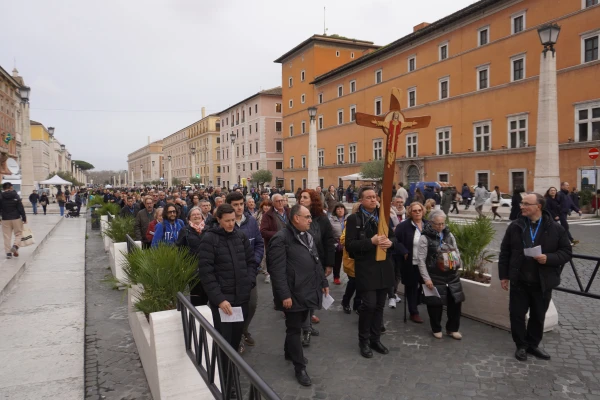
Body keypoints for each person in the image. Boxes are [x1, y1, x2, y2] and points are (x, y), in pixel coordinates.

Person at [499, 193, 572, 361]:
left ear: (538, 206)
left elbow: (567, 252)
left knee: (538, 316)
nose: (521, 206)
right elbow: (505, 252)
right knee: (516, 315)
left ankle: (533, 344)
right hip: (519, 280)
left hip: (542, 281)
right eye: (522, 203)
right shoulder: (515, 226)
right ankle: (521, 346)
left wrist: (549, 258)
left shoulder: (556, 228)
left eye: (526, 203)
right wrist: (504, 275)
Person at [197, 204, 256, 397]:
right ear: (219, 219)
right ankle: (225, 379)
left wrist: (248, 283)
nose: (231, 223)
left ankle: (232, 370)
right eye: (228, 220)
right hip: (223, 302)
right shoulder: (209, 239)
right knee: (224, 341)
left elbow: (250, 262)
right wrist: (219, 299)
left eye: (233, 220)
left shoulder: (239, 236)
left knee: (235, 338)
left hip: (241, 297)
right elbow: (206, 273)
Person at [267, 204, 329, 387]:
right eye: (307, 217)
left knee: (298, 324)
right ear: (296, 218)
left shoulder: (307, 236)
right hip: (292, 293)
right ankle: (299, 366)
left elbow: (316, 261)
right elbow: (276, 271)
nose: (311, 220)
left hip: (308, 289)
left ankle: (290, 352)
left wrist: (324, 282)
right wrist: (284, 294)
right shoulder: (281, 239)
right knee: (295, 329)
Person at [346, 186, 395, 358]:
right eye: (369, 197)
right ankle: (364, 341)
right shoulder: (354, 219)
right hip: (366, 269)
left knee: (380, 306)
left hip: (384, 267)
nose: (373, 200)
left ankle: (376, 339)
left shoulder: (384, 217)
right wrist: (370, 241)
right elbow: (350, 246)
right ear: (361, 200)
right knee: (369, 305)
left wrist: (391, 243)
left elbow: (394, 238)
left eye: (375, 197)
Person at [225, 191, 264, 353]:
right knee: (234, 307)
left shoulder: (251, 222)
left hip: (250, 271)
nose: (239, 207)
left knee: (252, 303)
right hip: (231, 275)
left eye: (241, 204)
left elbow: (259, 244)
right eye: (235, 205)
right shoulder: (225, 223)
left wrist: (254, 263)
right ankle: (237, 337)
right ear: (229, 206)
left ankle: (243, 328)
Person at [417, 210, 464, 339]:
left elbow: (456, 251)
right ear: (431, 223)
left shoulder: (449, 235)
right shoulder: (424, 237)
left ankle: (452, 329)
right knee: (435, 304)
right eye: (437, 224)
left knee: (455, 302)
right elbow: (421, 260)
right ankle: (436, 328)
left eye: (442, 223)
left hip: (451, 275)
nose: (440, 226)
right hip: (434, 275)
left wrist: (458, 264)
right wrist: (426, 279)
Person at [298, 189, 335, 346]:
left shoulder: (322, 219)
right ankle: (305, 327)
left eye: (305, 197)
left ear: (313, 200)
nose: (301, 199)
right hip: (301, 264)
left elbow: (329, 242)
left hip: (318, 263)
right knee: (304, 296)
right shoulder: (296, 218)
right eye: (300, 197)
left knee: (314, 295)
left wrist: (329, 264)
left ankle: (307, 323)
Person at [395, 202, 426, 324]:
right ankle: (414, 312)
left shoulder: (428, 224)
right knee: (411, 287)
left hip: (425, 263)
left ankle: (418, 302)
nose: (417, 212)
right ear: (410, 212)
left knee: (424, 286)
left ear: (423, 211)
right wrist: (404, 251)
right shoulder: (403, 226)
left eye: (419, 210)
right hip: (411, 262)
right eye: (414, 211)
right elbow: (395, 240)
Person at [176, 207, 208, 306]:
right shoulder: (185, 230)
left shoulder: (209, 229)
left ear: (202, 216)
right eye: (193, 215)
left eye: (198, 214)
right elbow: (180, 248)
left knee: (208, 293)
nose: (196, 216)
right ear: (189, 217)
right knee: (196, 296)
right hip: (193, 268)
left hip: (208, 266)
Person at [260, 194, 289, 284]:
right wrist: (279, 234)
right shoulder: (267, 215)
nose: (280, 202)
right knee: (279, 276)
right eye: (278, 201)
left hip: (290, 246)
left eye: (282, 200)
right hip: (276, 248)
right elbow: (263, 232)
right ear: (273, 203)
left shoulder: (289, 212)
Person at [341, 203, 362, 314]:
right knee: (353, 283)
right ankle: (345, 301)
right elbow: (343, 239)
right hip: (351, 260)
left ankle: (357, 305)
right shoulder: (350, 222)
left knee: (361, 283)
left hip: (363, 260)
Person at [0, 182, 27, 259]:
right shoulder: (15, 195)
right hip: (16, 218)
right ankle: (15, 245)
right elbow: (20, 207)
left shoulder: (1, 196)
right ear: (11, 187)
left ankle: (8, 253)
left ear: (3, 188)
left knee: (6, 236)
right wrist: (24, 218)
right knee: (19, 234)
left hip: (5, 219)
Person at [329, 203, 347, 285]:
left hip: (347, 242)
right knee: (337, 261)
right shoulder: (331, 220)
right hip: (337, 243)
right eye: (338, 209)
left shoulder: (348, 218)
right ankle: (336, 277)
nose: (340, 210)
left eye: (342, 208)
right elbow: (329, 232)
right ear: (335, 211)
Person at [558, 182, 582, 246]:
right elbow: (556, 204)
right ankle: (570, 240)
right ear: (562, 186)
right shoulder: (559, 194)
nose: (568, 186)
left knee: (564, 227)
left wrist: (578, 210)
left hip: (565, 213)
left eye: (568, 185)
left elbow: (572, 204)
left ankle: (569, 240)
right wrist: (557, 213)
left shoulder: (567, 195)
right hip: (560, 213)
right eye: (566, 185)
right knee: (565, 227)